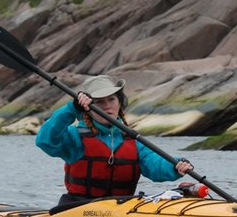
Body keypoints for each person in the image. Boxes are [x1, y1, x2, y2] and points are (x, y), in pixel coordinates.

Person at [35, 75, 194, 205]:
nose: (107, 106)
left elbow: (155, 165)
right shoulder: (75, 136)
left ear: (119, 103)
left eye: (111, 100)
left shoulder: (133, 140)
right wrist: (71, 109)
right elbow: (45, 141)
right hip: (78, 207)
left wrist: (175, 165)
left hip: (121, 208)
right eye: (99, 102)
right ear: (87, 108)